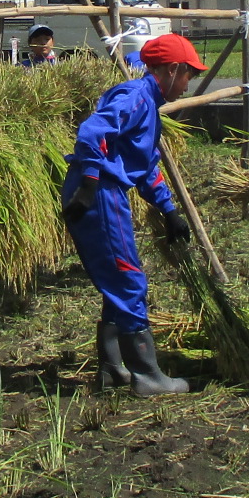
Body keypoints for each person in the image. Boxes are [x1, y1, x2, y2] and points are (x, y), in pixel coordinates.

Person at [61, 33, 203, 394]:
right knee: (128, 279)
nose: (189, 83)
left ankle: (112, 368)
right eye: (189, 74)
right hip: (100, 195)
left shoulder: (148, 107)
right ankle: (147, 375)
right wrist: (91, 183)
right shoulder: (136, 97)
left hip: (105, 190)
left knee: (117, 281)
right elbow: (92, 132)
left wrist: (169, 210)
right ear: (171, 70)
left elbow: (145, 165)